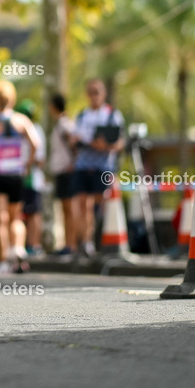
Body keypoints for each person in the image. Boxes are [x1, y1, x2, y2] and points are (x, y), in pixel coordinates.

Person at [0, 81, 40, 274]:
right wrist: (27, 165)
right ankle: (18, 248)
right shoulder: (22, 121)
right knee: (15, 217)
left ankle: (3, 260)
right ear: (12, 99)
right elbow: (35, 144)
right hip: (16, 174)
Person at [71, 79, 126, 259]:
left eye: (97, 91)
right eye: (91, 92)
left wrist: (105, 146)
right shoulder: (81, 116)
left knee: (98, 205)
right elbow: (74, 140)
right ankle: (85, 243)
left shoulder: (112, 115)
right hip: (83, 165)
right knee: (82, 205)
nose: (94, 95)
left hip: (103, 166)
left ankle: (98, 241)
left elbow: (120, 142)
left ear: (103, 94)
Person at [47, 94, 77, 257]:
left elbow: (74, 145)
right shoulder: (60, 124)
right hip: (61, 170)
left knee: (69, 209)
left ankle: (71, 245)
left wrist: (73, 164)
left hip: (67, 171)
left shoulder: (64, 124)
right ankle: (67, 243)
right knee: (65, 209)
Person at [17, 100, 47, 259]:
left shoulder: (36, 130)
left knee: (34, 212)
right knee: (21, 212)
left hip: (33, 179)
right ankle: (23, 244)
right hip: (20, 178)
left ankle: (35, 244)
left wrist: (28, 164)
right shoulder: (17, 130)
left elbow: (40, 158)